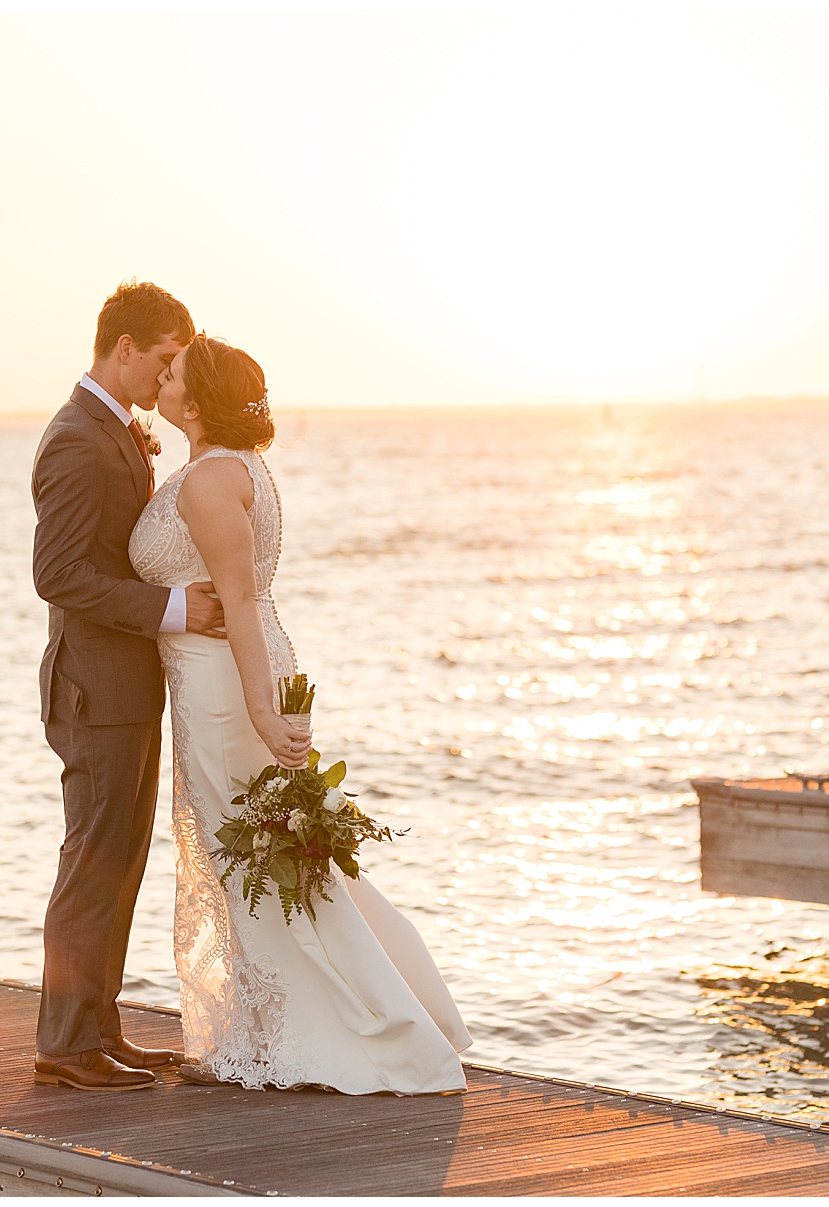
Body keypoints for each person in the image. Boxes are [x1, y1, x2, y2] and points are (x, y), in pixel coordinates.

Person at [131, 334, 471, 1094]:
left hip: (226, 683)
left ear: (199, 397)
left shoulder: (210, 480)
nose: (165, 374)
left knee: (247, 857)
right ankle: (282, 1027)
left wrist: (258, 706)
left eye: (177, 370)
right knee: (276, 858)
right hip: (236, 670)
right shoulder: (240, 469)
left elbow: (242, 599)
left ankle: (302, 1038)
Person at [29, 282, 233, 1092]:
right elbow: (59, 573)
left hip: (124, 684)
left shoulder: (115, 429)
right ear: (123, 349)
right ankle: (66, 1042)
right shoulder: (77, 439)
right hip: (93, 688)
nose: (167, 374)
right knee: (94, 858)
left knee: (119, 859)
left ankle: (97, 1028)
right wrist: (177, 606)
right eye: (163, 358)